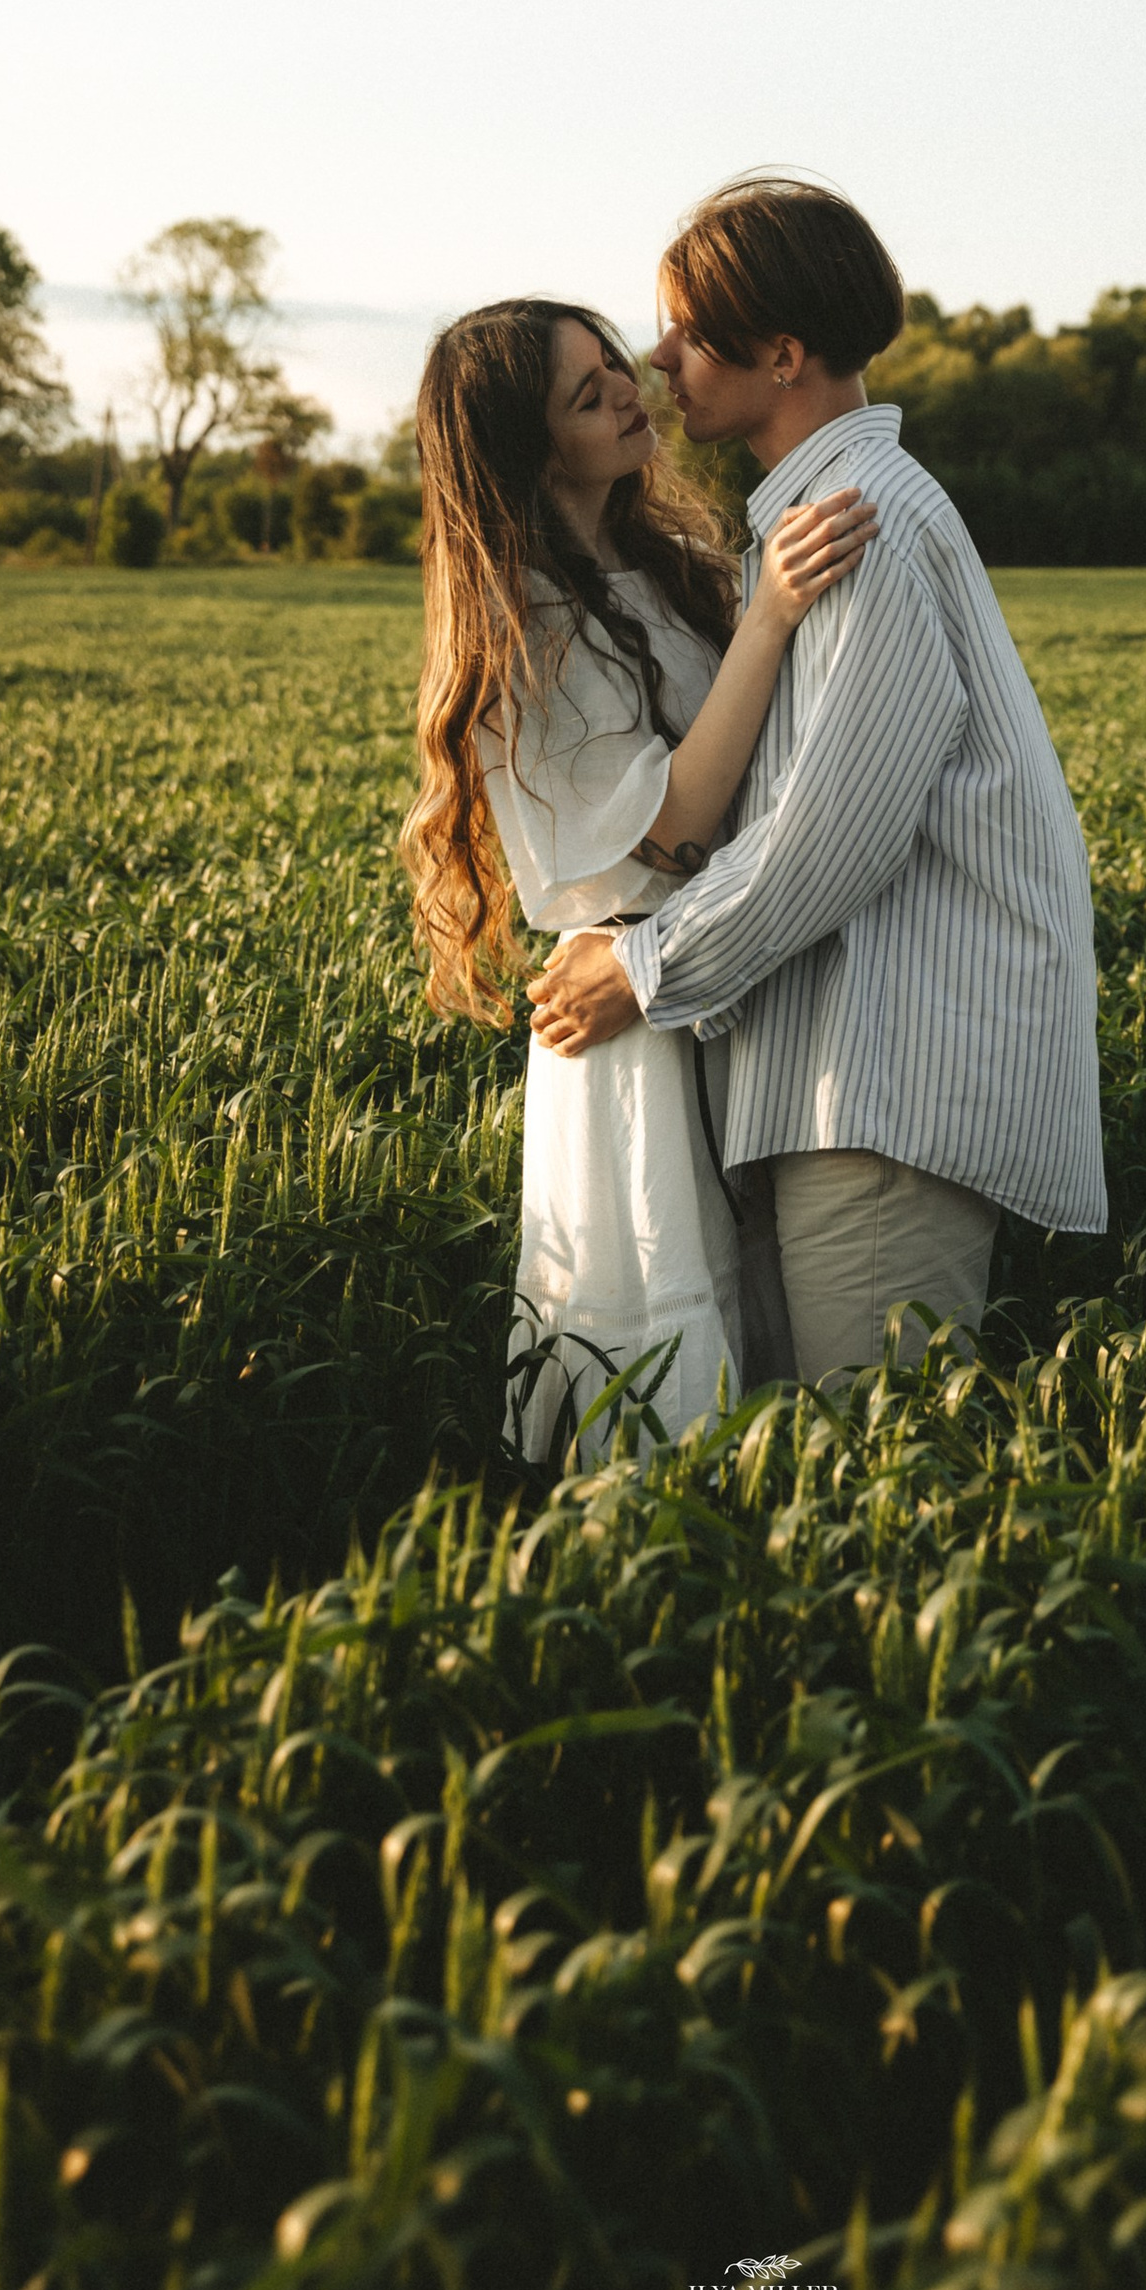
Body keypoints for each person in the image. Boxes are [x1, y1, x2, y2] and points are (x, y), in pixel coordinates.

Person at [528, 177, 1105, 1389]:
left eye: (688, 331)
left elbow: (831, 837)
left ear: (780, 353)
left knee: (875, 1467)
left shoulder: (859, 524)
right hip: (846, 1068)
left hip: (889, 1077)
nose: (663, 358)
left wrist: (639, 967)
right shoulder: (808, 519)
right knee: (820, 1466)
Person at [400, 297, 873, 1463]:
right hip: (631, 1020)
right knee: (669, 1348)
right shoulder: (525, 622)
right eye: (585, 389)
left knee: (772, 1325)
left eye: (613, 359)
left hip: (716, 968)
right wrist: (766, 620)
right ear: (528, 446)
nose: (627, 386)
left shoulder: (669, 561)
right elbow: (667, 823)